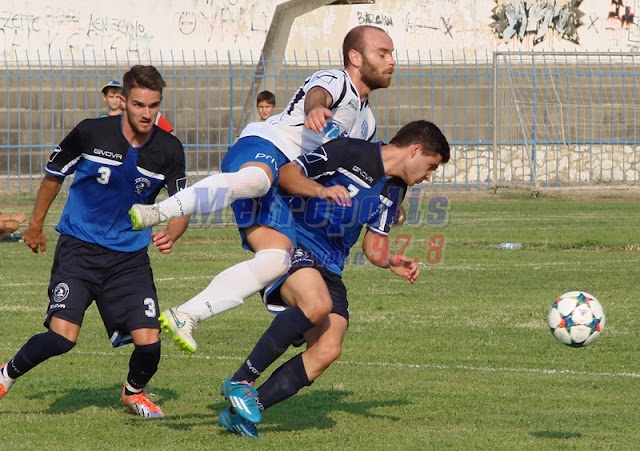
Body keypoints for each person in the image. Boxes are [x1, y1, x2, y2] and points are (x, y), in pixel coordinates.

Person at [128, 25, 397, 355]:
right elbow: (318, 94)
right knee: (256, 180)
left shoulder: (367, 123)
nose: (391, 61)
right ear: (355, 57)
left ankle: (187, 314)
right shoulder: (336, 81)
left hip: (282, 183)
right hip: (266, 145)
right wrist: (315, 108)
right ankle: (157, 211)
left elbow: (357, 170)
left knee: (277, 260)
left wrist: (382, 204)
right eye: (382, 53)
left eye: (391, 54)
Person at [217, 120, 451, 437]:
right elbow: (286, 175)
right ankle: (241, 380)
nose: (428, 176)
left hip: (331, 265)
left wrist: (391, 260)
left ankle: (241, 413)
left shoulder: (395, 189)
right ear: (415, 150)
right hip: (292, 241)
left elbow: (374, 244)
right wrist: (320, 190)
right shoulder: (348, 150)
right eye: (430, 166)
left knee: (328, 348)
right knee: (317, 304)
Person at [0, 65, 190, 419]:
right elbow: (53, 176)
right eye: (138, 105)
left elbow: (184, 203)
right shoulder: (91, 133)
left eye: (154, 105)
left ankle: (133, 393)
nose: (147, 113)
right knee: (61, 339)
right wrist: (36, 225)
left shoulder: (169, 149)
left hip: (129, 260)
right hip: (79, 250)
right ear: (123, 100)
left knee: (150, 344)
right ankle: (6, 374)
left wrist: (172, 232)